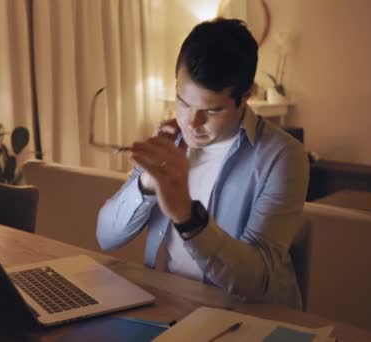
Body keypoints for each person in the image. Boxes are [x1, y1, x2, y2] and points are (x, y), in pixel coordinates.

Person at [97, 18, 309, 308]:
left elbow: (258, 282)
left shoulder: (283, 157)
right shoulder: (170, 142)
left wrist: (188, 218)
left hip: (244, 320)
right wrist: (146, 183)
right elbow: (106, 237)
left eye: (212, 110)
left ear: (245, 96)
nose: (191, 123)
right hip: (165, 306)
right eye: (183, 102)